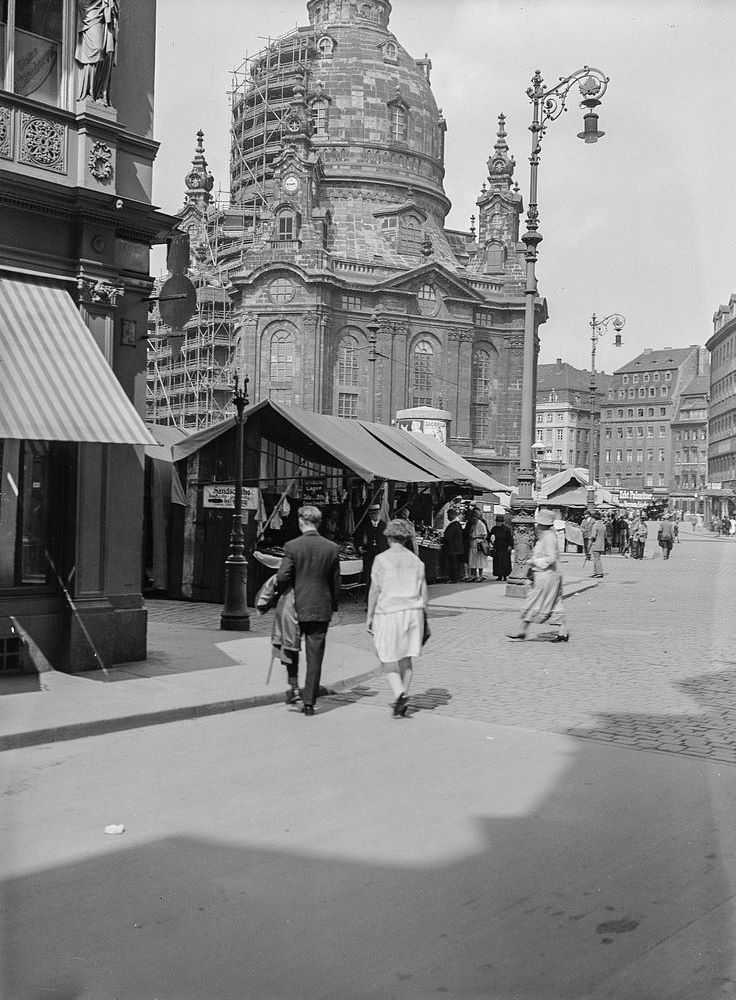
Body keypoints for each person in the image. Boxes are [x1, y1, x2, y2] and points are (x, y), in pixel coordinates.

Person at [276, 505, 341, 716]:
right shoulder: (331, 548)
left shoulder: (292, 546)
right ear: (318, 523)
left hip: (296, 607)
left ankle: (294, 686)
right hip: (320, 608)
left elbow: (282, 577)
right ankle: (309, 702)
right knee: (315, 657)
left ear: (302, 522)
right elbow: (335, 583)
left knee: (291, 647)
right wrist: (334, 606)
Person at [367, 519, 428, 717]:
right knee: (406, 659)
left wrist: (369, 615)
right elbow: (424, 594)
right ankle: (402, 698)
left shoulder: (381, 559)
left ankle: (399, 694)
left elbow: (375, 589)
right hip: (413, 613)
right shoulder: (417, 561)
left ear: (389, 536)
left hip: (388, 612)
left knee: (386, 657)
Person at [506, 507, 568, 642]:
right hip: (547, 575)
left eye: (539, 523)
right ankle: (562, 631)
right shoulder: (546, 536)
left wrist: (534, 561)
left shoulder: (549, 538)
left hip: (546, 575)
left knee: (533, 601)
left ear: (543, 525)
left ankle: (522, 630)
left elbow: (551, 558)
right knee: (554, 602)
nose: (537, 526)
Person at [75, 0, 120, 105]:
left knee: (107, 52)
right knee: (97, 48)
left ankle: (99, 94)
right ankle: (88, 92)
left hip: (106, 6)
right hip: (91, 7)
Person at [355, 503, 388, 590]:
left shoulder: (384, 526)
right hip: (368, 555)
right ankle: (369, 598)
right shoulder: (364, 526)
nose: (375, 516)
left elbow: (389, 542)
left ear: (379, 513)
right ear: (369, 515)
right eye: (373, 514)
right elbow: (357, 539)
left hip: (381, 555)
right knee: (369, 576)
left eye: (377, 513)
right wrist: (359, 548)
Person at [441, 508, 465, 582]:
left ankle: (453, 578)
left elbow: (448, 536)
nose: (447, 516)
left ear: (452, 515)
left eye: (448, 515)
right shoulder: (456, 524)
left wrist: (443, 538)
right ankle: (455, 577)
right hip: (456, 548)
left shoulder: (454, 524)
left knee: (453, 563)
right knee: (455, 563)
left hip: (453, 548)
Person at [466, 506, 488, 581]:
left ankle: (480, 575)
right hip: (472, 544)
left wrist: (475, 536)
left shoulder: (481, 524)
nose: (473, 520)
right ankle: (473, 575)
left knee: (479, 561)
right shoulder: (473, 524)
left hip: (478, 544)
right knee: (473, 560)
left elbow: (485, 535)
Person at [489, 514, 513, 582]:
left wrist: (510, 546)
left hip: (505, 548)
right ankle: (499, 576)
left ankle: (505, 576)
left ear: (502, 522)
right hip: (497, 547)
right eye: (497, 521)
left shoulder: (507, 529)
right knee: (497, 562)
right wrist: (491, 540)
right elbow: (489, 536)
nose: (498, 523)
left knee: (505, 562)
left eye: (499, 522)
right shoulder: (494, 528)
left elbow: (510, 538)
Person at [590, 510, 606, 578]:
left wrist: (590, 538)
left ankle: (599, 572)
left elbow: (593, 536)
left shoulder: (595, 525)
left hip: (595, 543)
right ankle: (595, 572)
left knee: (597, 559)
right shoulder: (603, 525)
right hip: (601, 543)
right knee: (597, 558)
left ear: (594, 518)